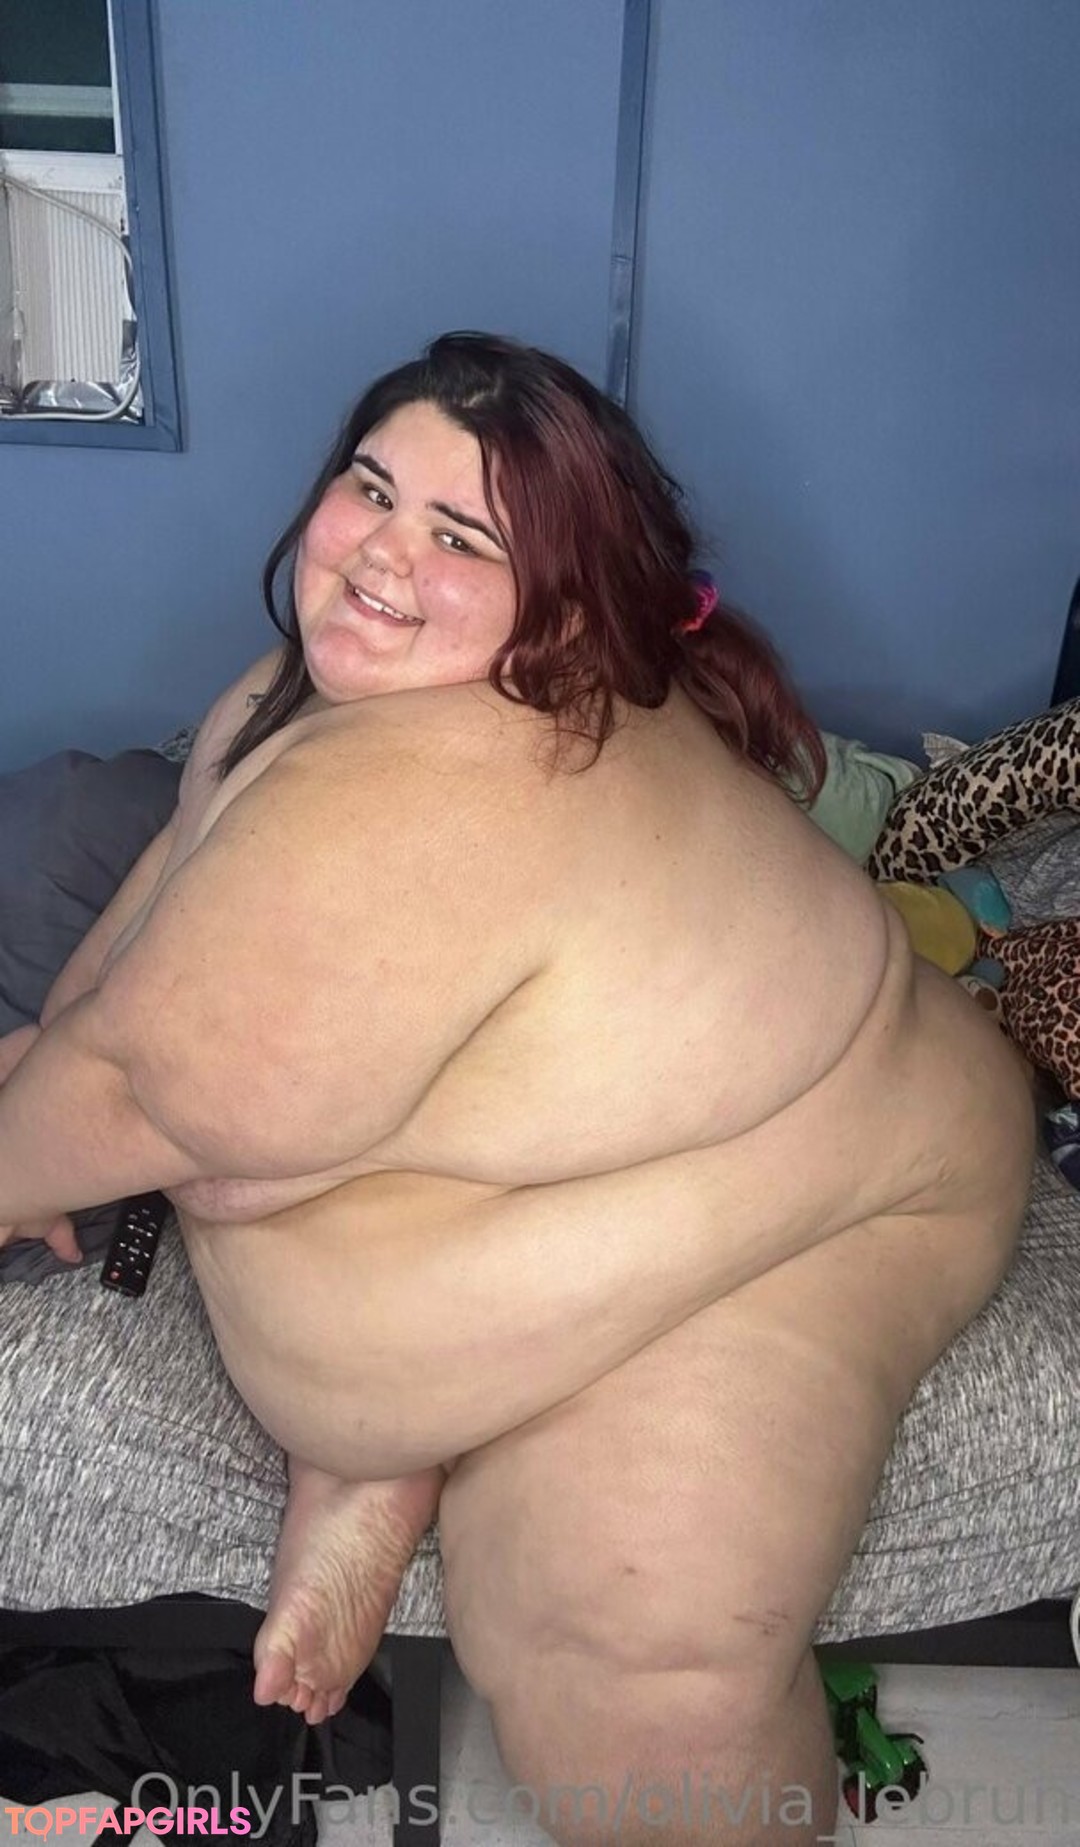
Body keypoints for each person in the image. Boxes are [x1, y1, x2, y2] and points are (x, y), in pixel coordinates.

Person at [0, 332, 1034, 1847]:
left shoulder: (454, 796)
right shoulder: (307, 692)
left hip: (839, 1171)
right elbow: (164, 909)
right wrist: (51, 1053)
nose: (382, 556)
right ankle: (380, 1454)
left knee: (629, 1652)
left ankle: (384, 1450)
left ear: (564, 603)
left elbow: (143, 1098)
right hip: (592, 1151)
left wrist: (48, 1130)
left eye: (462, 538)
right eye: (371, 490)